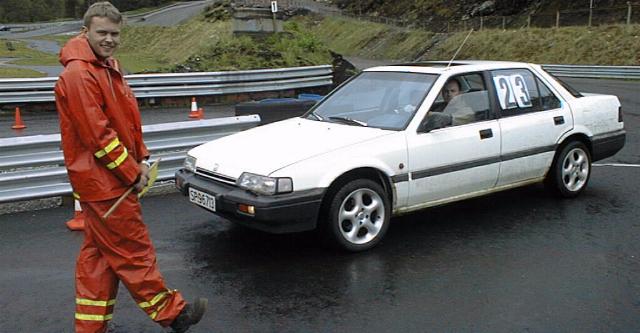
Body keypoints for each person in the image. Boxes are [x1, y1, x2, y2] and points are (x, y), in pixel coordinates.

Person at [54, 2, 207, 332]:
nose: (109, 39)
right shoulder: (81, 74)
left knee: (99, 260)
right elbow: (99, 136)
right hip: (106, 185)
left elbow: (125, 124)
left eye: (114, 34)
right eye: (102, 33)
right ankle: (174, 315)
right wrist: (131, 171)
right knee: (133, 253)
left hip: (105, 182)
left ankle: (90, 327)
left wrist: (140, 158)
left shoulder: (104, 66)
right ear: (86, 31)